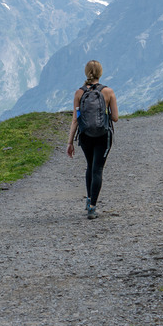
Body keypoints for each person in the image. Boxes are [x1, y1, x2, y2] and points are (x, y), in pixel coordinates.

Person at [66, 59, 118, 219]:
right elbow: (115, 118)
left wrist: (70, 142)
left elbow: (75, 119)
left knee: (90, 166)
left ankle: (89, 200)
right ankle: (93, 207)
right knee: (97, 169)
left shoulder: (79, 93)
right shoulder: (108, 92)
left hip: (85, 136)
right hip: (103, 136)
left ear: (86, 72)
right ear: (100, 73)